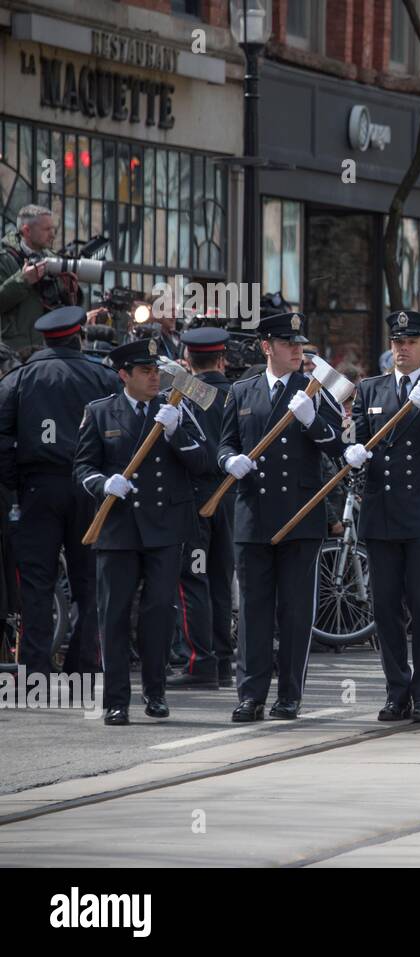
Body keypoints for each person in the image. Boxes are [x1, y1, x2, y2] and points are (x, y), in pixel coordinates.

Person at [74, 338, 210, 725]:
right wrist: (103, 483)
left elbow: (203, 462)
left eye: (157, 371)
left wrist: (176, 434)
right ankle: (116, 700)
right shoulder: (100, 413)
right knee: (113, 614)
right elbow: (82, 467)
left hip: (165, 528)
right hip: (117, 528)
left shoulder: (176, 409)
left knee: (158, 612)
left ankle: (155, 692)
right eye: (146, 372)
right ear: (124, 375)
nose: (155, 378)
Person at [218, 312, 345, 722]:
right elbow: (224, 444)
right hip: (253, 513)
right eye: (288, 344)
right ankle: (250, 694)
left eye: (300, 344)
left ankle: (289, 693)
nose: (297, 350)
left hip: (299, 513)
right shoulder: (242, 391)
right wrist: (229, 460)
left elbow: (337, 449)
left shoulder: (314, 390)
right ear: (266, 346)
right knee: (254, 610)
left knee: (294, 611)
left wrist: (311, 420)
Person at [344, 311, 420, 723]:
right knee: (386, 609)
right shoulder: (371, 389)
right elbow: (357, 438)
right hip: (382, 513)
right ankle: (397, 690)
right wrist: (354, 453)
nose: (403, 348)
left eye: (411, 341)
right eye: (397, 341)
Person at [0, 306, 118, 678]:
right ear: (79, 335)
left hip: (38, 487)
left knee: (37, 583)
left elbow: (2, 438)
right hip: (89, 487)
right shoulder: (102, 376)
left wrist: (16, 481)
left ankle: (35, 668)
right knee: (89, 582)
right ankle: (82, 667)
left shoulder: (19, 378)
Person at [169, 326, 237, 689]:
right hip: (230, 497)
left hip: (197, 499)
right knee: (221, 581)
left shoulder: (183, 395)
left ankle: (201, 662)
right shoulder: (237, 393)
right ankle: (223, 660)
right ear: (222, 358)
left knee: (194, 580)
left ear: (188, 359)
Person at [1, 205, 99, 359]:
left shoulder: (54, 259)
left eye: (53, 229)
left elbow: (67, 306)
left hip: (49, 351)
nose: (53, 235)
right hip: (13, 353)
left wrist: (70, 288)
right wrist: (23, 280)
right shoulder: (4, 258)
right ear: (27, 230)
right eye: (47, 229)